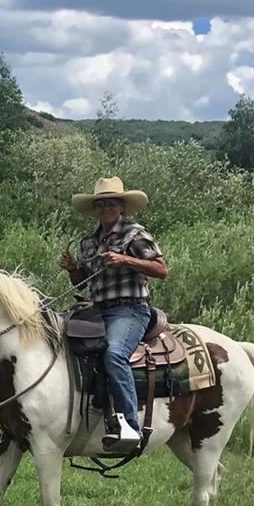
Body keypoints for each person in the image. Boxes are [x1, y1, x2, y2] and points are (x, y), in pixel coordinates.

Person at [61, 176, 168, 451]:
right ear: (95, 209)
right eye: (101, 204)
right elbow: (82, 282)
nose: (106, 208)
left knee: (114, 354)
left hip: (130, 310)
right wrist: (73, 269)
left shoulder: (135, 234)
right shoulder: (87, 242)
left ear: (122, 207)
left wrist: (126, 260)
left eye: (112, 203)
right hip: (98, 310)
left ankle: (130, 426)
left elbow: (161, 269)